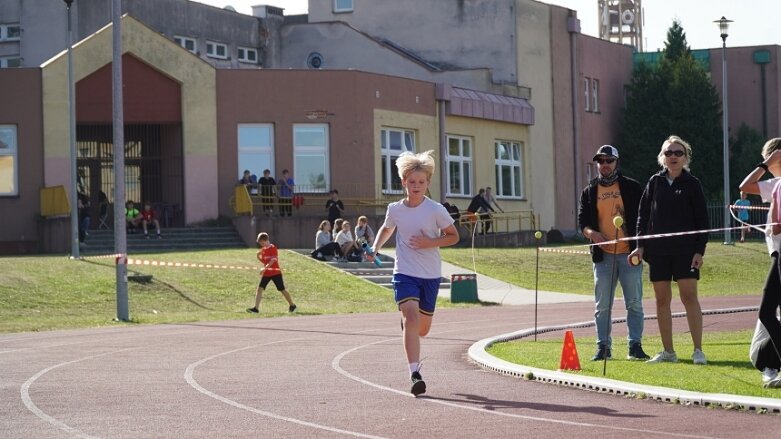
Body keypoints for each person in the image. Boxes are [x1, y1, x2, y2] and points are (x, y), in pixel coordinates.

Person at [365, 149, 459, 396]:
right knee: (411, 317)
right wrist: (375, 248)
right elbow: (387, 229)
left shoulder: (435, 209)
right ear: (403, 182)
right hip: (404, 271)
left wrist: (430, 242)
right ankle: (414, 374)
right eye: (412, 181)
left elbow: (454, 236)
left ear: (428, 184)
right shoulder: (395, 209)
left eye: (421, 182)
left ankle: (410, 326)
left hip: (429, 274)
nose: (416, 186)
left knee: (422, 329)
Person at [630, 135, 709, 365]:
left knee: (689, 297)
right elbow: (642, 217)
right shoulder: (654, 182)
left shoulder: (692, 184)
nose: (673, 157)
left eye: (678, 153)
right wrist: (640, 247)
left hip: (686, 251)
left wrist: (699, 251)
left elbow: (702, 221)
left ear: (685, 157)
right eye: (668, 153)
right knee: (662, 300)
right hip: (658, 253)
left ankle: (698, 351)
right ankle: (669, 352)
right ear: (662, 158)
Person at [578, 145, 648, 361]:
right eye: (601, 161)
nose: (604, 165)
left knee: (634, 303)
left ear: (617, 162)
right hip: (603, 257)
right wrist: (593, 235)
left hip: (629, 254)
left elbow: (644, 218)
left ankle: (634, 346)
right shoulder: (589, 191)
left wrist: (641, 246)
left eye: (609, 160)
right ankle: (603, 347)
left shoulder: (632, 187)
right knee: (602, 305)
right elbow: (583, 223)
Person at [738, 137, 781, 386]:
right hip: (777, 255)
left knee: (766, 312)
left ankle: (770, 365)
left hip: (780, 255)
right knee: (767, 314)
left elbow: (776, 228)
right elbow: (745, 186)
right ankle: (770, 366)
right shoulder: (774, 185)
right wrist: (765, 164)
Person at [246, 232, 297, 314]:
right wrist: (258, 256)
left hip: (275, 273)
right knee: (260, 289)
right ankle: (256, 308)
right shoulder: (264, 249)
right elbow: (265, 261)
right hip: (267, 273)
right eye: (260, 243)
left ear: (266, 240)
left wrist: (265, 268)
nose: (262, 245)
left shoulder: (273, 248)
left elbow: (273, 260)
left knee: (282, 289)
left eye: (262, 243)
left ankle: (292, 305)